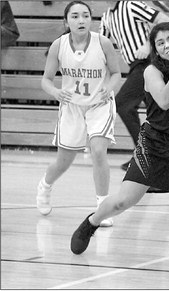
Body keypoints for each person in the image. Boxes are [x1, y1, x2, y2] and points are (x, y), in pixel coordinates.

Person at [70, 22, 169, 265]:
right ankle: (93, 221)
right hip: (155, 142)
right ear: (155, 50)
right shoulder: (151, 71)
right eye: (160, 43)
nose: (167, 45)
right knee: (124, 201)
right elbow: (163, 101)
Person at [36, 1, 122, 227]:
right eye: (75, 16)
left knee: (98, 150)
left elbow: (116, 74)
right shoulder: (58, 45)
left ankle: (102, 207)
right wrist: (56, 91)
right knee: (63, 162)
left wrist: (109, 88)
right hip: (72, 106)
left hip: (99, 105)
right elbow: (45, 80)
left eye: (85, 15)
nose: (81, 20)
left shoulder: (103, 42)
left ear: (91, 19)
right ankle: (45, 185)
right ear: (66, 22)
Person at [100, 1, 169, 176]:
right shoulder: (106, 17)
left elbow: (163, 19)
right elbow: (100, 46)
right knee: (158, 112)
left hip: (149, 63)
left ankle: (144, 154)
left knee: (123, 104)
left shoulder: (131, 5)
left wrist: (150, 44)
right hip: (136, 66)